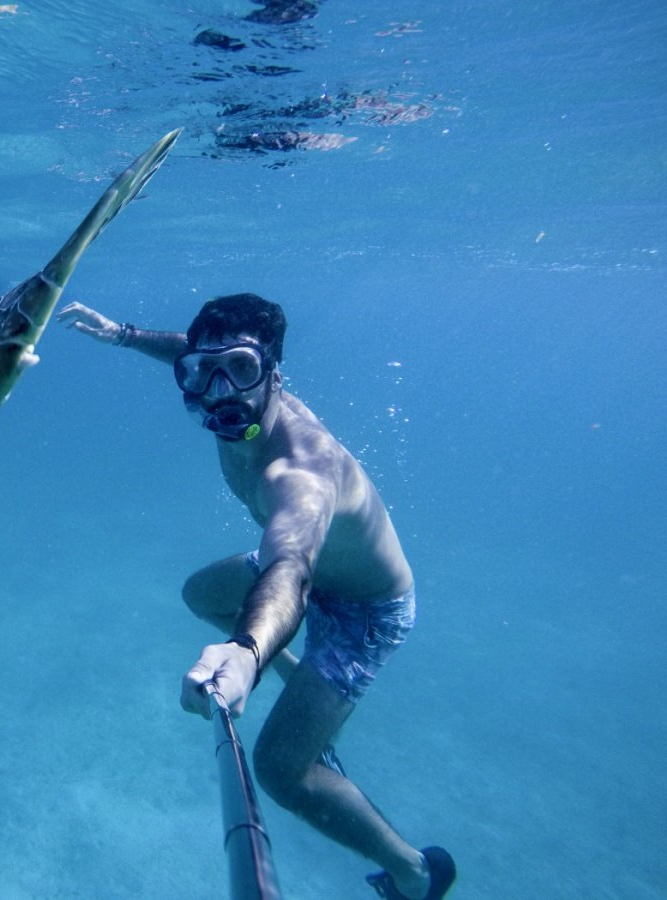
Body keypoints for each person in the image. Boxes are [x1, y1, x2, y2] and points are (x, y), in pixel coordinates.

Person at [57, 294, 455, 899]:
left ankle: (418, 873)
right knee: (201, 594)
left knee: (278, 770)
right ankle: (301, 685)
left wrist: (246, 650)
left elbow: (290, 567)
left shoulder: (298, 470)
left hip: (364, 610)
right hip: (300, 573)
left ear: (274, 373)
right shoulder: (222, 387)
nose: (220, 391)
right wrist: (123, 335)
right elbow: (187, 353)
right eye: (202, 372)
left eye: (240, 370)